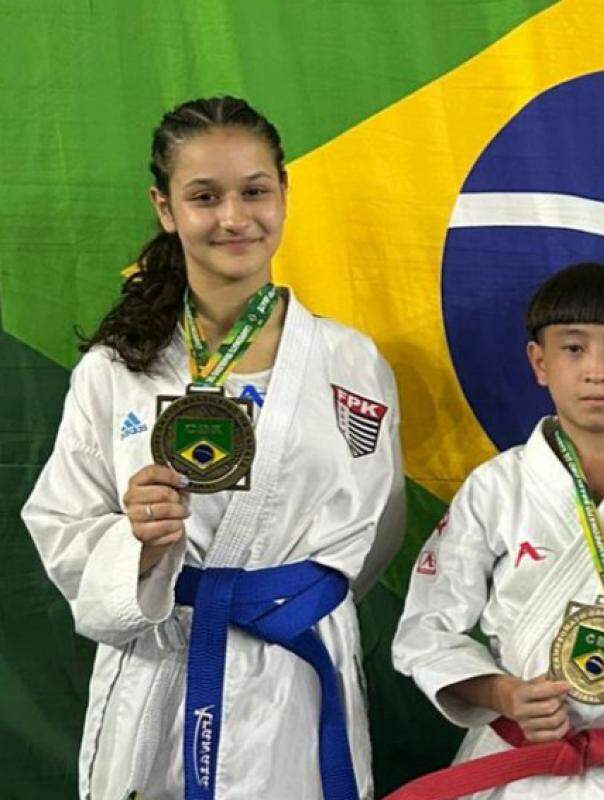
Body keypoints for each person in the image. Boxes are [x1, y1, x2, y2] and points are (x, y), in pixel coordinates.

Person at [22, 96, 404, 800]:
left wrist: (288, 599)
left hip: (292, 670)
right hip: (161, 666)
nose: (234, 218)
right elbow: (61, 525)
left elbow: (376, 527)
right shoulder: (117, 369)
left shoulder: (349, 362)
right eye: (204, 197)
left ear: (284, 194)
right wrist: (134, 542)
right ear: (165, 208)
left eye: (255, 191)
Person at [390, 263, 604, 800]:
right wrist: (503, 693)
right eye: (574, 349)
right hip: (519, 757)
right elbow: (426, 626)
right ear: (540, 362)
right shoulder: (497, 487)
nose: (596, 371)